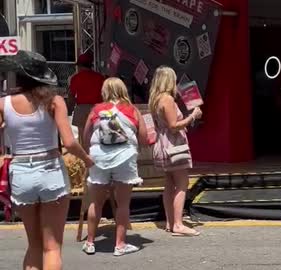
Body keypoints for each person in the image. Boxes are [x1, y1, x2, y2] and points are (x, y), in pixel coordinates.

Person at [0, 50, 94, 269]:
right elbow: (69, 142)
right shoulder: (54, 101)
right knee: (52, 247)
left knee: (34, 245)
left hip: (21, 172)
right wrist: (87, 159)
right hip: (51, 169)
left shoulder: (4, 104)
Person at [82, 77, 147, 256]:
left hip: (99, 157)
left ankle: (89, 242)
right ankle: (120, 245)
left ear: (104, 91)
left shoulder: (96, 109)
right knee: (123, 204)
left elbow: (86, 137)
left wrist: (91, 153)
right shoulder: (132, 110)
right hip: (125, 156)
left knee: (96, 202)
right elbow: (144, 139)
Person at [148, 66, 202, 236]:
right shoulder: (167, 100)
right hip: (173, 145)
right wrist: (192, 116)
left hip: (162, 144)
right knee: (182, 183)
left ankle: (170, 222)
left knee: (170, 184)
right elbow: (173, 126)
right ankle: (178, 224)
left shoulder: (155, 100)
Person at [68, 52, 105, 142]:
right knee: (98, 134)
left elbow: (71, 96)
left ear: (80, 66)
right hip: (97, 109)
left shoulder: (75, 78)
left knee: (83, 136)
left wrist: (69, 109)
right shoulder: (100, 77)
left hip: (81, 108)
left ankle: (85, 154)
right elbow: (104, 94)